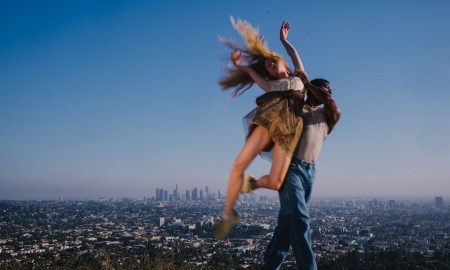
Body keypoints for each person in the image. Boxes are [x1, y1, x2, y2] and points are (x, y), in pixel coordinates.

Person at [214, 18, 307, 241]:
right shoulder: (272, 85)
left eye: (275, 62)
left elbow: (295, 55)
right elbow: (256, 77)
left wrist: (284, 40)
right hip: (268, 124)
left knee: (276, 182)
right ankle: (228, 215)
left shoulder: (300, 77)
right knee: (239, 163)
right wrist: (242, 67)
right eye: (269, 67)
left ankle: (252, 184)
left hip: (288, 134)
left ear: (283, 64)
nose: (273, 66)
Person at [259, 75, 341, 268]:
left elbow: (328, 100)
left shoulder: (329, 116)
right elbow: (261, 101)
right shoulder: (295, 108)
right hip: (290, 170)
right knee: (300, 219)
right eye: (324, 88)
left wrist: (307, 84)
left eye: (329, 89)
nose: (327, 92)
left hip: (310, 172)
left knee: (287, 226)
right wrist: (289, 93)